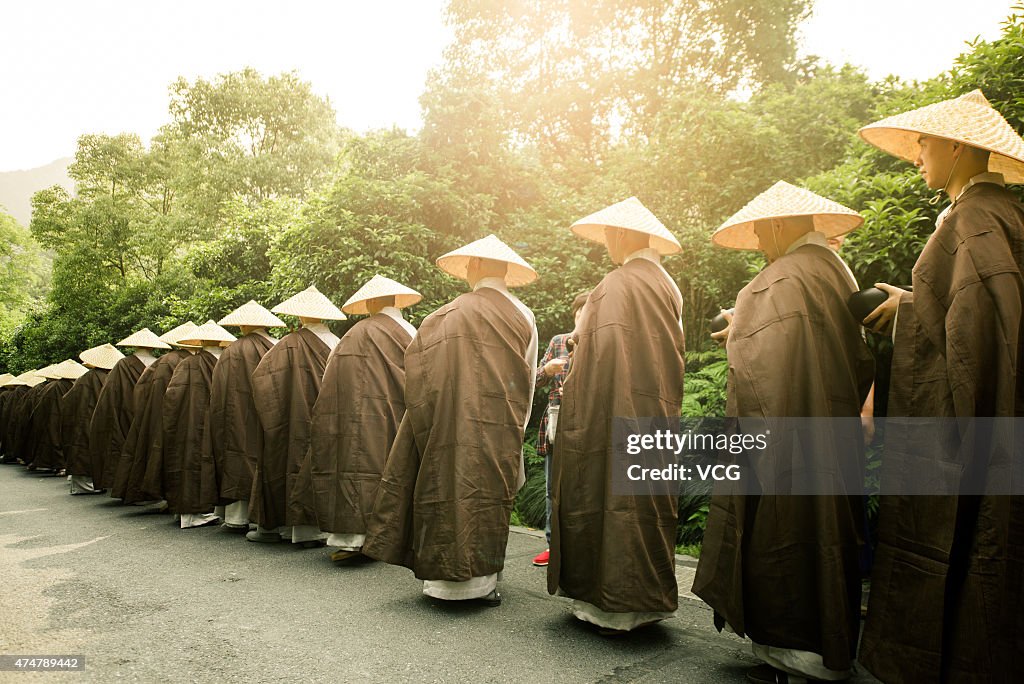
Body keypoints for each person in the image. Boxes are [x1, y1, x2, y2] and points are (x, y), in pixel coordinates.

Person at [856, 89, 1024, 683]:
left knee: (963, 543)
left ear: (957, 146)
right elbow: (965, 311)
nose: (917, 154)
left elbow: (974, 336)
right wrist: (909, 301)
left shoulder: (977, 219)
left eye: (925, 142)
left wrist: (908, 312)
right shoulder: (988, 215)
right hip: (986, 417)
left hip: (967, 423)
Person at [692, 181, 874, 683]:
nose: (760, 245)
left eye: (759, 233)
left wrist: (741, 323)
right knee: (829, 532)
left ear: (775, 226)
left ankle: (796, 658)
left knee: (788, 533)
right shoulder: (836, 272)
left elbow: (756, 363)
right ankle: (828, 650)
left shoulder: (781, 279)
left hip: (787, 430)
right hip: (832, 426)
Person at [364, 235, 538, 606]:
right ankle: (483, 584)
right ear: (506, 270)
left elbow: (418, 377)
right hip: (498, 423)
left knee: (444, 488)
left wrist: (430, 421)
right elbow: (528, 378)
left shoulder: (440, 315)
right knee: (488, 496)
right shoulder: (523, 314)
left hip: (443, 421)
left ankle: (439, 582)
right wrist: (516, 426)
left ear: (472, 268)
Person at [547, 197, 685, 633]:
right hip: (656, 408)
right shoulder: (668, 284)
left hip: (613, 405)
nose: (607, 244)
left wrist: (578, 398)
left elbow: (596, 353)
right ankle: (646, 599)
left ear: (624, 236)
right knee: (645, 500)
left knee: (608, 497)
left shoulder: (615, 283)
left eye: (610, 236)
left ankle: (607, 605)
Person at [296, 274, 421, 562]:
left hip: (353, 413)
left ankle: (352, 539)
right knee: (390, 469)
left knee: (354, 469)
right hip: (396, 410)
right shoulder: (410, 330)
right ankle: (390, 536)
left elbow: (331, 377)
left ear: (370, 303)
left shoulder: (354, 333)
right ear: (394, 301)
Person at [248, 286, 343, 547]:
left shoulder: (288, 343)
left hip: (297, 414)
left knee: (293, 462)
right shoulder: (338, 341)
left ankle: (298, 531)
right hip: (331, 413)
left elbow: (263, 378)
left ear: (299, 317)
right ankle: (323, 528)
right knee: (326, 465)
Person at [198, 301, 283, 533]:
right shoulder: (276, 346)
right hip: (265, 411)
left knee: (236, 456)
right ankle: (264, 515)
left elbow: (219, 392)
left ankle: (236, 517)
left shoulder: (231, 351)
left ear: (243, 325)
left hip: (235, 414)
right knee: (263, 458)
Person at [530, 289, 590, 568]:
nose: (582, 315)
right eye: (579, 310)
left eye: (587, 310)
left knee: (583, 488)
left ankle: (580, 549)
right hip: (555, 423)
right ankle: (553, 546)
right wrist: (549, 371)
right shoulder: (558, 342)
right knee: (551, 488)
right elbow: (535, 379)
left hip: (587, 426)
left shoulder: (600, 342)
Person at [162, 321, 236, 529]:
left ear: (201, 341)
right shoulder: (226, 360)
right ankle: (200, 511)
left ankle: (186, 511)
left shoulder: (187, 363)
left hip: (188, 421)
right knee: (209, 464)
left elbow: (172, 396)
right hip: (216, 420)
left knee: (188, 464)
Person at [114, 322, 199, 504]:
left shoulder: (165, 360)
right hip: (178, 413)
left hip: (157, 412)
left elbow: (141, 389)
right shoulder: (182, 361)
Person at [88, 328, 167, 492]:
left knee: (129, 450)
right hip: (151, 411)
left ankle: (129, 487)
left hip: (127, 411)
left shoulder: (123, 364)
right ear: (153, 347)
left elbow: (111, 393)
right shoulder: (159, 362)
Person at [64, 344, 124, 494]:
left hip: (81, 418)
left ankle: (82, 485)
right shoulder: (105, 378)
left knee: (82, 450)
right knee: (92, 450)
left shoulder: (85, 377)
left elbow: (68, 400)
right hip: (95, 418)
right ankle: (89, 485)